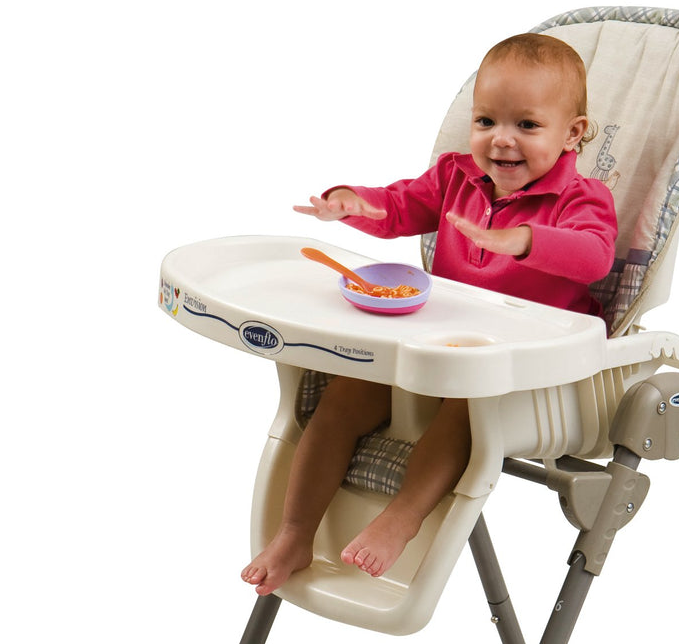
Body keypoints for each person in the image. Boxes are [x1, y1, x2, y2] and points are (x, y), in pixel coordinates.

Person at [242, 33, 617, 595]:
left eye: (527, 125)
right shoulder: (455, 176)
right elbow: (399, 206)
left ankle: (404, 515)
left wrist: (524, 240)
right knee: (343, 396)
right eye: (486, 121)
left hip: (521, 366)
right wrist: (354, 202)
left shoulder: (582, 198)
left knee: (467, 414)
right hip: (438, 343)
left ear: (572, 133)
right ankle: (295, 532)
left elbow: (595, 255)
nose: (501, 140)